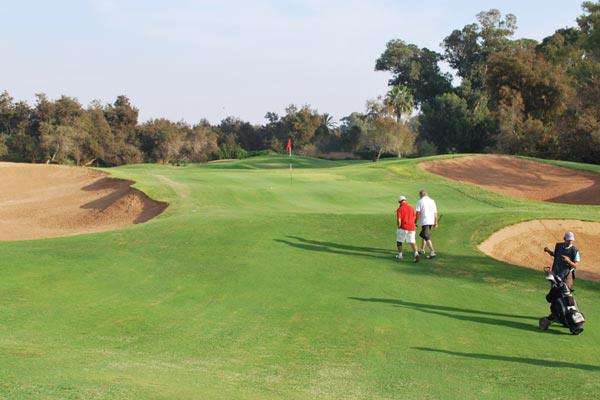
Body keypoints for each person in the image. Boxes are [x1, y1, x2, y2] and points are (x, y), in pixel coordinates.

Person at [395, 195, 419, 262]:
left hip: (403, 227)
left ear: (399, 202)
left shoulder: (400, 209)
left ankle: (400, 255)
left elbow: (399, 220)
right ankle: (416, 254)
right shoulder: (411, 208)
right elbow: (414, 218)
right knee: (412, 242)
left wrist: (399, 227)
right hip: (412, 227)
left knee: (399, 241)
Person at [415, 189, 438, 259]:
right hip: (431, 221)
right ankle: (422, 249)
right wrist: (435, 222)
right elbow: (435, 212)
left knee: (425, 235)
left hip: (425, 221)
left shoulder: (420, 201)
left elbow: (418, 213)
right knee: (424, 235)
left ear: (421, 195)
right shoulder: (432, 201)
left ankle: (432, 252)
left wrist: (415, 221)